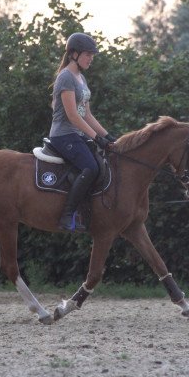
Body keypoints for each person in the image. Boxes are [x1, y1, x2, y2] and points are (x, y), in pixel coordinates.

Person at [49, 32, 117, 232]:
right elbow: (72, 116)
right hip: (63, 135)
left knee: (101, 163)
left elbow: (86, 115)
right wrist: (96, 138)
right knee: (91, 167)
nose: (91, 59)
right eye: (88, 55)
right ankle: (68, 215)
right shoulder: (65, 78)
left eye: (92, 56)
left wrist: (107, 136)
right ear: (73, 55)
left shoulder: (81, 79)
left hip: (77, 134)